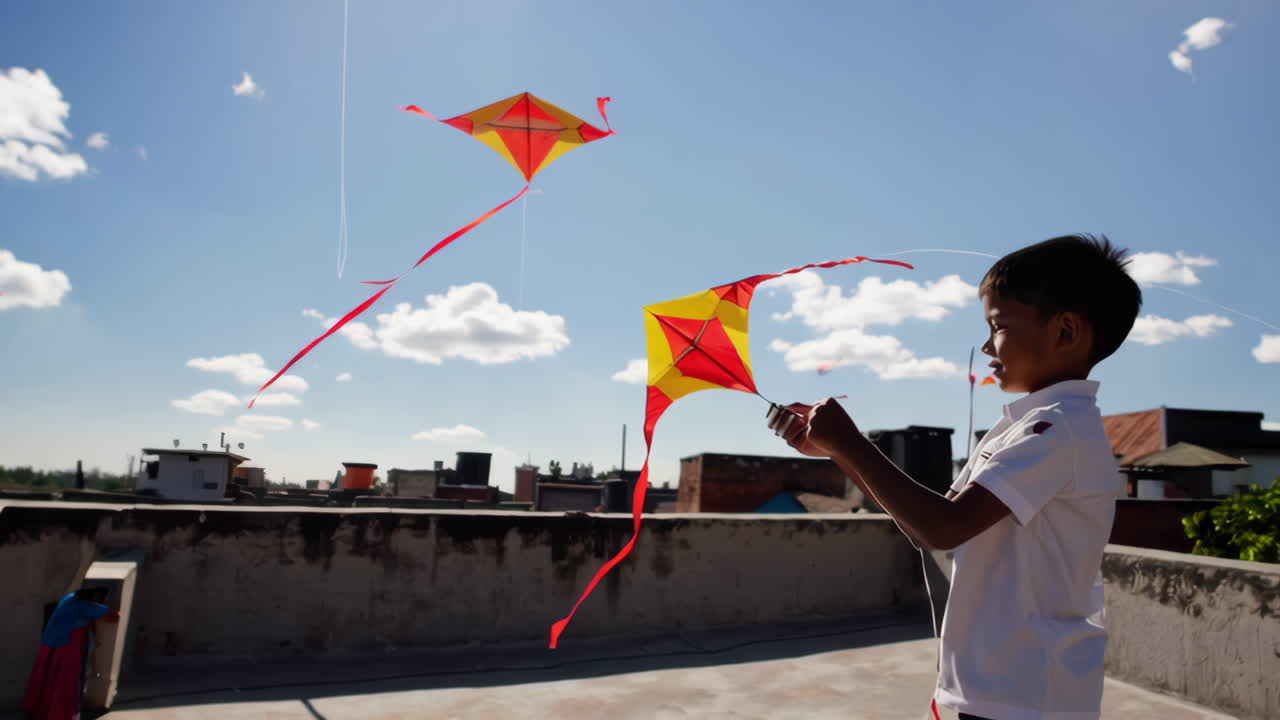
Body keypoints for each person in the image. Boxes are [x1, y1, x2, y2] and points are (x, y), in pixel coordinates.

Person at [771, 235, 1141, 720]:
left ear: (1066, 331)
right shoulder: (1025, 426)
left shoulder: (1058, 430)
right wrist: (841, 455)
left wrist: (853, 445)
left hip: (1027, 696)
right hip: (989, 688)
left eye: (998, 325)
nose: (988, 345)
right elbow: (931, 527)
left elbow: (941, 528)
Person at [24, 586, 118, 720]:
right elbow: (113, 617)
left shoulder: (70, 598)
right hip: (65, 649)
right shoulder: (83, 605)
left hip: (51, 647)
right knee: (65, 684)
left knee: (48, 681)